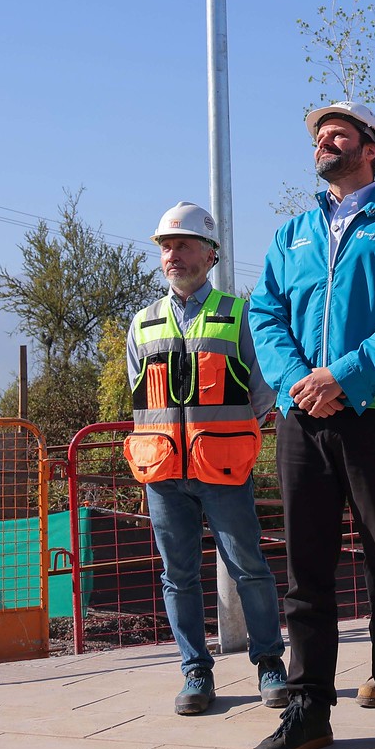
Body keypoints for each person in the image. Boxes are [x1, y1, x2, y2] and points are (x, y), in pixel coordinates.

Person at [248, 101, 375, 749]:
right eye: (317, 136)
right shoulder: (291, 234)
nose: (324, 143)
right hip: (304, 418)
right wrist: (300, 381)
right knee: (305, 568)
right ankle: (308, 705)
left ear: (368, 148)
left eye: (339, 134)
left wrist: (345, 376)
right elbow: (266, 312)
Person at [121, 202, 288, 717]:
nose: (174, 254)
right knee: (178, 575)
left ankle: (269, 665)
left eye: (185, 244)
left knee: (249, 568)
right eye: (167, 246)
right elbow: (139, 394)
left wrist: (219, 439)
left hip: (223, 470)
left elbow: (262, 393)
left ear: (210, 254)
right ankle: (195, 670)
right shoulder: (142, 323)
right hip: (163, 472)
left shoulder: (238, 317)